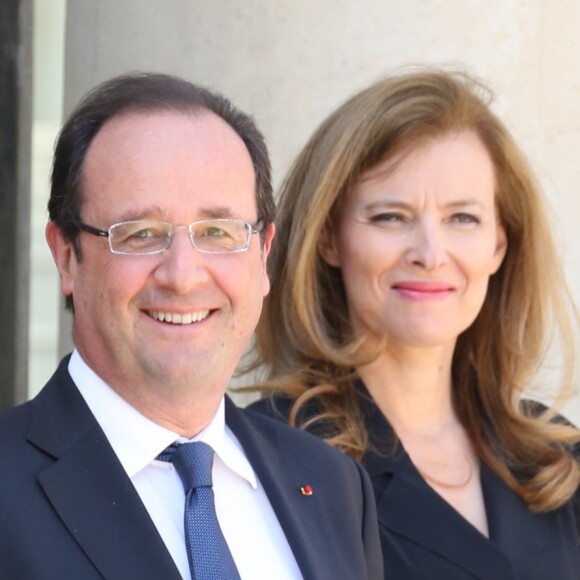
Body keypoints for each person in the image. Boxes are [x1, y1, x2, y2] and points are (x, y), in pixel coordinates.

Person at [0, 72, 383, 580]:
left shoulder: (334, 487)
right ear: (68, 256)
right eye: (140, 234)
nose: (182, 276)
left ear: (262, 254)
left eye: (217, 232)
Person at [247, 68, 580, 579]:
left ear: (499, 244)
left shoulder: (558, 457)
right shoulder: (271, 456)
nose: (430, 253)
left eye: (462, 219)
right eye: (390, 217)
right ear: (329, 239)